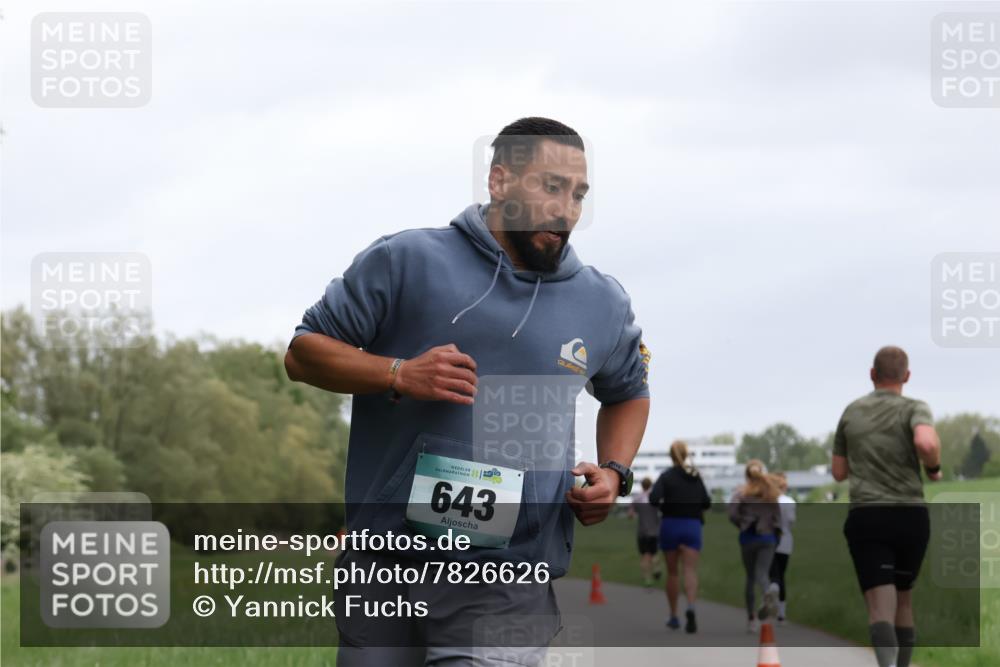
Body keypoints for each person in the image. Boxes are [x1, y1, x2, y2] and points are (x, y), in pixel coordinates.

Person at [285, 117, 651, 666]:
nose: (567, 209)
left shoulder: (601, 302)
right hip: (385, 564)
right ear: (499, 181)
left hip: (507, 573)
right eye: (551, 187)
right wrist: (398, 374)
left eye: (578, 195)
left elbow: (629, 391)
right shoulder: (406, 260)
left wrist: (614, 470)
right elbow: (304, 353)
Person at [832, 346, 941, 667]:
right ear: (906, 376)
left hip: (869, 515)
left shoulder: (852, 411)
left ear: (872, 374)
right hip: (911, 516)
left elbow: (838, 472)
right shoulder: (915, 408)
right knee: (904, 600)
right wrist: (933, 469)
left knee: (880, 605)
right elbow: (926, 442)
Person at [649, 440, 711, 633]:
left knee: (673, 573)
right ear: (686, 455)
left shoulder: (666, 476)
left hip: (671, 525)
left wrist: (665, 506)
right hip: (692, 526)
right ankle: (691, 608)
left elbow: (653, 498)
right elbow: (707, 502)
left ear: (671, 455)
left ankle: (674, 616)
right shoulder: (695, 476)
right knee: (690, 571)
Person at [728, 459, 782, 634]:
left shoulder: (741, 493)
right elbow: (778, 519)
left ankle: (751, 618)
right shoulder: (771, 493)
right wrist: (776, 535)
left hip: (748, 537)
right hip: (768, 538)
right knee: (763, 573)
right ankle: (768, 593)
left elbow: (732, 514)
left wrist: (742, 524)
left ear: (746, 475)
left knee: (750, 577)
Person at [768, 471, 796, 625]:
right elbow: (791, 520)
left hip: (771, 540)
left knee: (773, 574)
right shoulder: (789, 501)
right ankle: (782, 613)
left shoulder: (769, 501)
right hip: (786, 540)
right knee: (782, 576)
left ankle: (772, 591)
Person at [629, 477, 664, 589]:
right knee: (654, 554)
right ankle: (657, 569)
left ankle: (648, 579)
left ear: (642, 486)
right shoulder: (655, 498)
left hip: (642, 532)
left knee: (644, 556)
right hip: (654, 531)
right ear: (651, 485)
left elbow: (631, 514)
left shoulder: (637, 498)